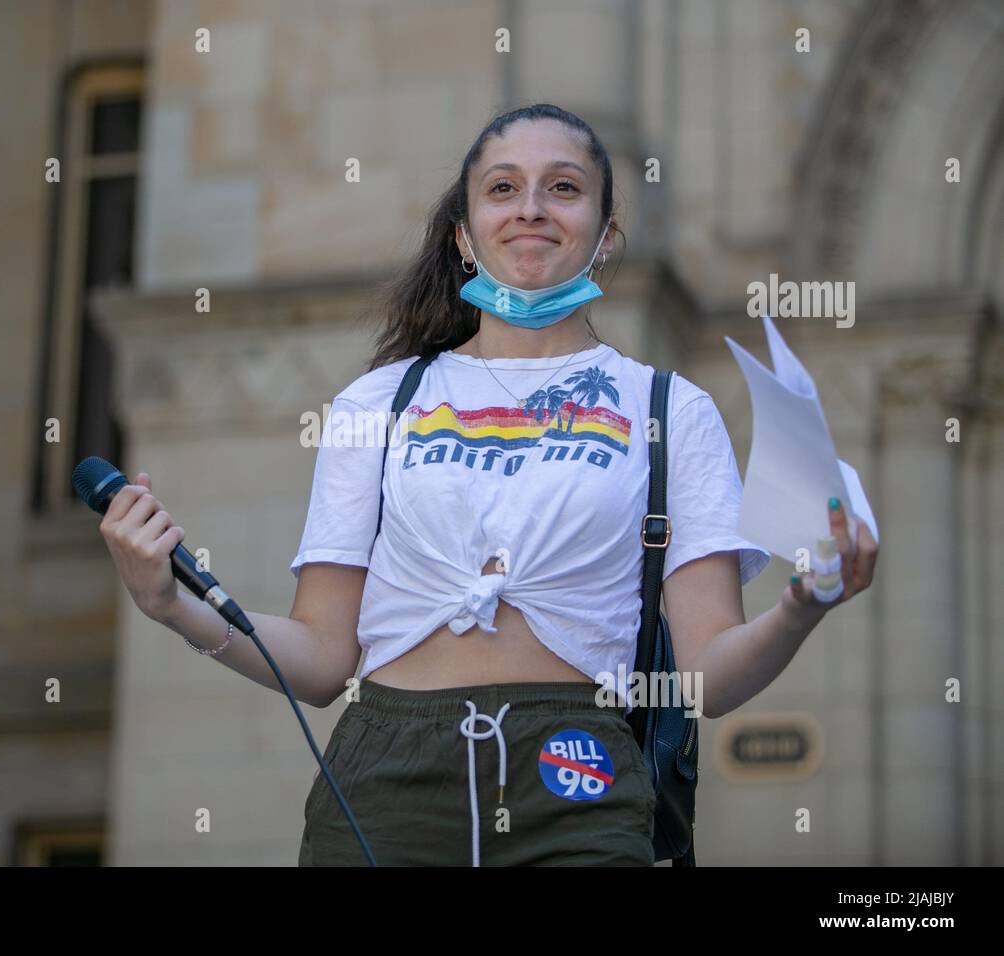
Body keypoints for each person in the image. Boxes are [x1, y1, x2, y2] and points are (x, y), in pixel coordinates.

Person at [97, 103, 880, 867]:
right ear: (464, 237)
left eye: (564, 187)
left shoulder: (669, 408)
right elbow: (322, 659)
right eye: (503, 188)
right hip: (388, 772)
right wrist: (170, 604)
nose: (532, 208)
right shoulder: (381, 402)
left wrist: (801, 606)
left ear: (606, 237)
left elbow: (705, 678)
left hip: (579, 770)